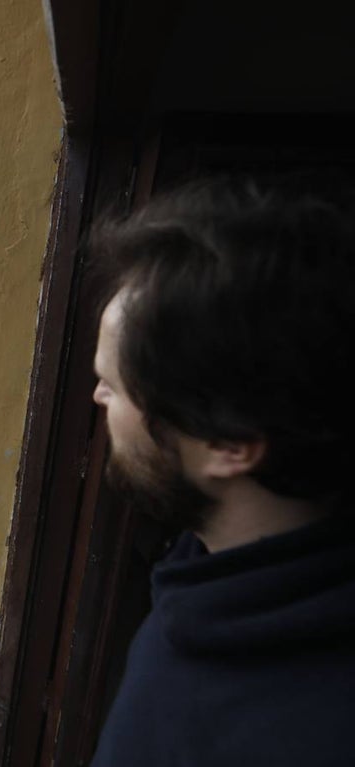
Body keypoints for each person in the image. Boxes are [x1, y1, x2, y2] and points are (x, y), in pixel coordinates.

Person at [88, 175, 355, 766]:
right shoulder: (210, 580)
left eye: (115, 383)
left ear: (228, 443)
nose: (99, 397)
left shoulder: (310, 729)